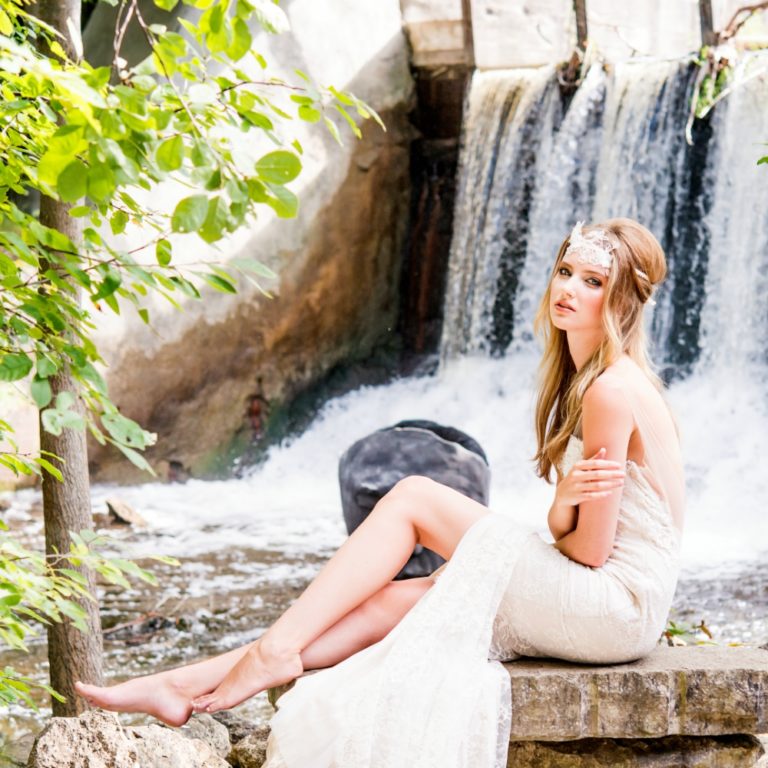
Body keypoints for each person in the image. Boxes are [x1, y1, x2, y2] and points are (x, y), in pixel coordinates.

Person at [76, 218, 684, 768]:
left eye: (593, 281)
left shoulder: (609, 392)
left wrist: (558, 506)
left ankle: (273, 653)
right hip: (608, 601)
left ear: (622, 301)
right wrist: (562, 508)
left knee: (416, 497)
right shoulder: (590, 381)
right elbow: (579, 539)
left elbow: (590, 553)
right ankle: (185, 685)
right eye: (564, 271)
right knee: (398, 599)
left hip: (614, 607)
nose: (568, 289)